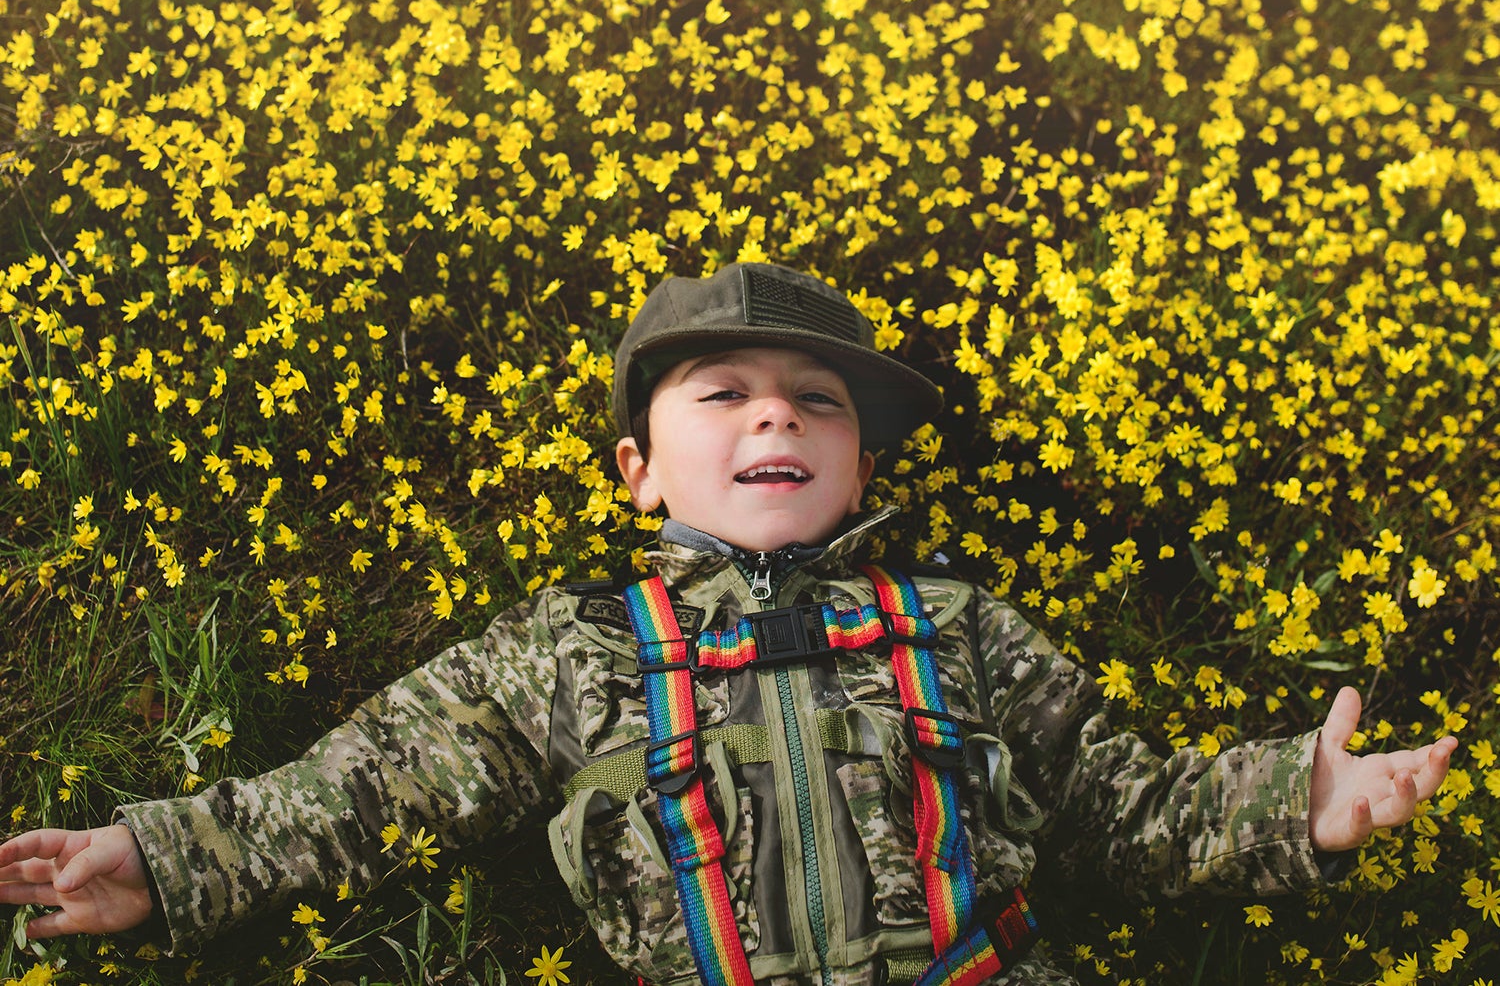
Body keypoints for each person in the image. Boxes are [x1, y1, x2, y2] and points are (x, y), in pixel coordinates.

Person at [0, 263, 1457, 985]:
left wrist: (1293, 804)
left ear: (860, 470)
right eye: (724, 394)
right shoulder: (567, 647)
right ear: (639, 473)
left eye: (817, 402)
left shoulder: (964, 627)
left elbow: (1128, 813)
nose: (777, 409)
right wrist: (172, 861)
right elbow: (358, 791)